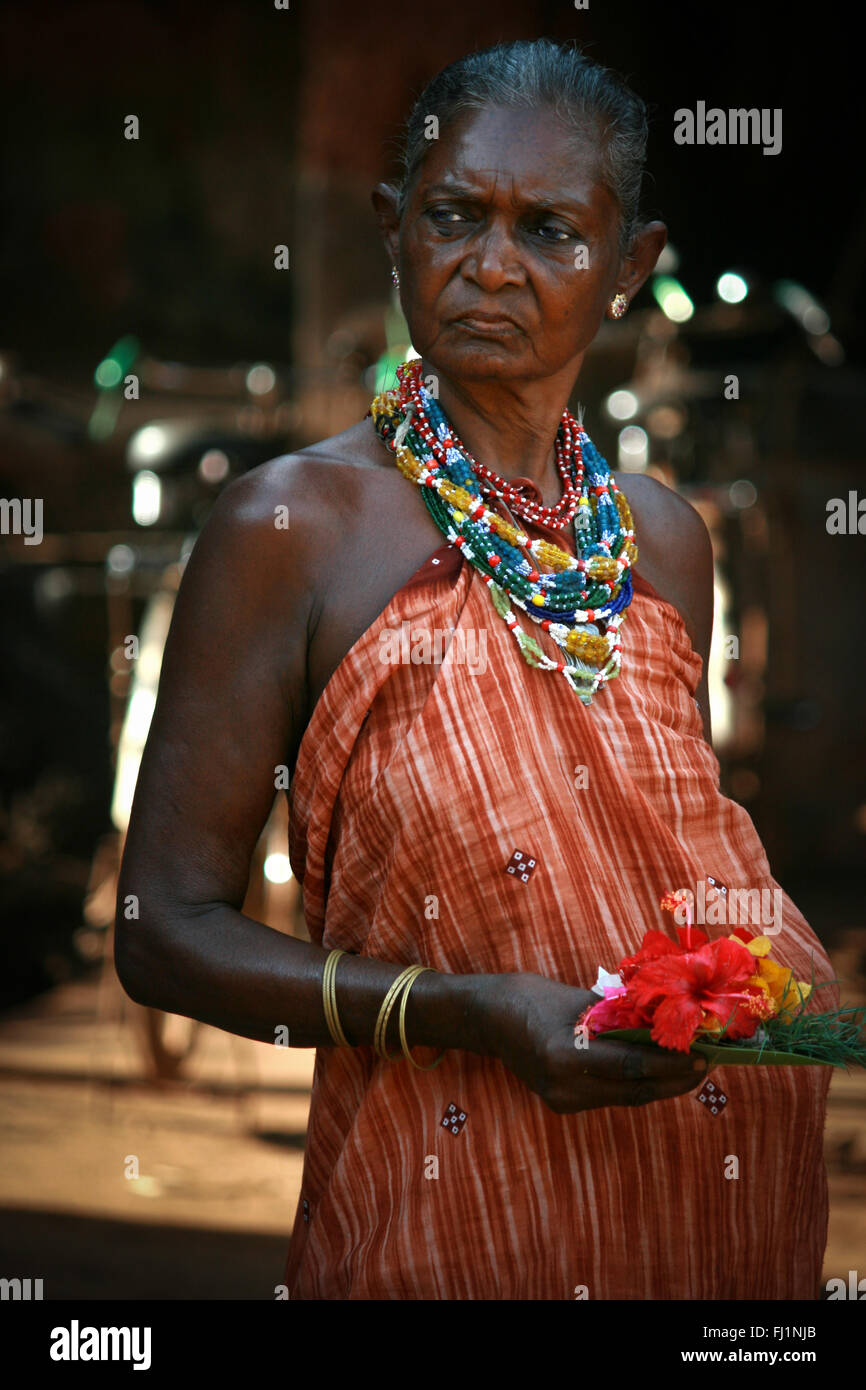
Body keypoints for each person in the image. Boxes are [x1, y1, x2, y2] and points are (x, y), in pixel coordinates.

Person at [115, 38, 838, 1300]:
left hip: (712, 1229)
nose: (491, 264)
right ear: (395, 230)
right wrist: (466, 1009)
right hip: (451, 1232)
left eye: (550, 230)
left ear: (628, 268)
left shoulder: (660, 537)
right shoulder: (293, 530)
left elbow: (669, 872)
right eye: (455, 214)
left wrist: (759, 976)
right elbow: (162, 935)